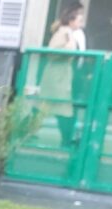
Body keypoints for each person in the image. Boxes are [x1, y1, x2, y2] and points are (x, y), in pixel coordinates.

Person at [42, 2, 85, 149]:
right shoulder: (63, 33)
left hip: (63, 77)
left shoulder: (69, 32)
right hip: (58, 78)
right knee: (63, 111)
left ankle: (67, 140)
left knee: (56, 110)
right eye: (79, 20)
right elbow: (52, 52)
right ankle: (67, 141)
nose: (81, 23)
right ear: (71, 20)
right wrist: (66, 50)